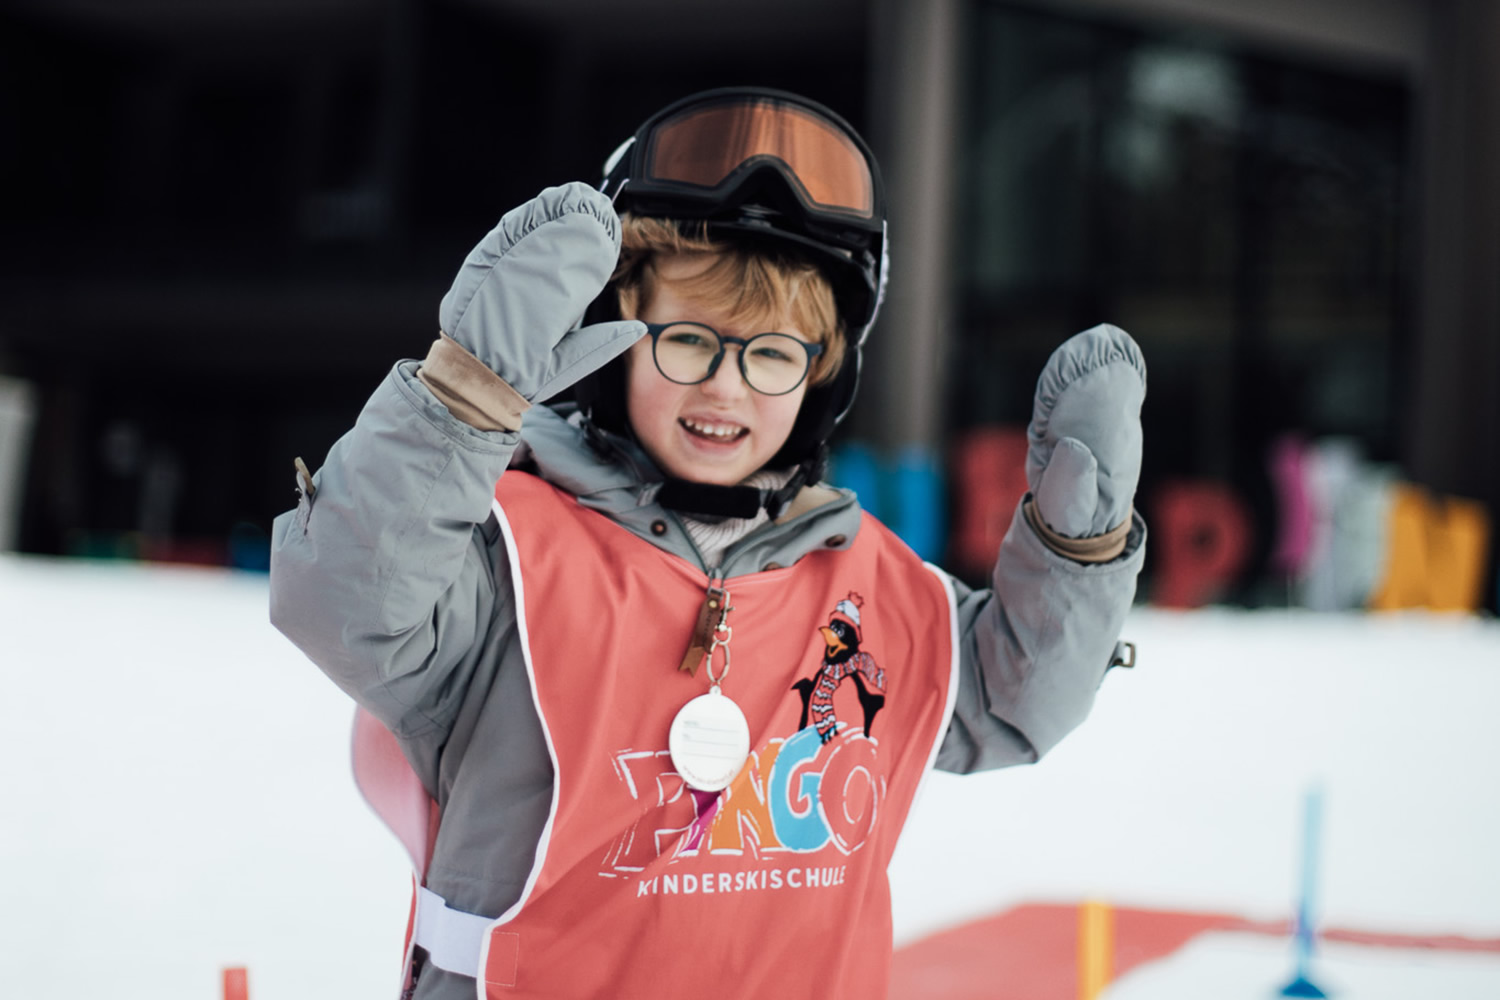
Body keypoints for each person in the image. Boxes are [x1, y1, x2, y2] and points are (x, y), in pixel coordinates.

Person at [270, 87, 1146, 1000]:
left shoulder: (879, 587)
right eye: (688, 341)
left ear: (821, 378)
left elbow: (1018, 697)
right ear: (617, 341)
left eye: (773, 355)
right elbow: (345, 605)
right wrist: (463, 394)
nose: (726, 388)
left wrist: (1077, 546)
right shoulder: (506, 552)